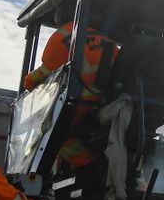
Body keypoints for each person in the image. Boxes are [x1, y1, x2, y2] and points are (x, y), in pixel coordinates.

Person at [22, 12, 120, 169]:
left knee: (50, 134)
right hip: (102, 113)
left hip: (74, 111)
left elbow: (44, 73)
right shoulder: (111, 45)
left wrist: (29, 82)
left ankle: (84, 166)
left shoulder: (61, 36)